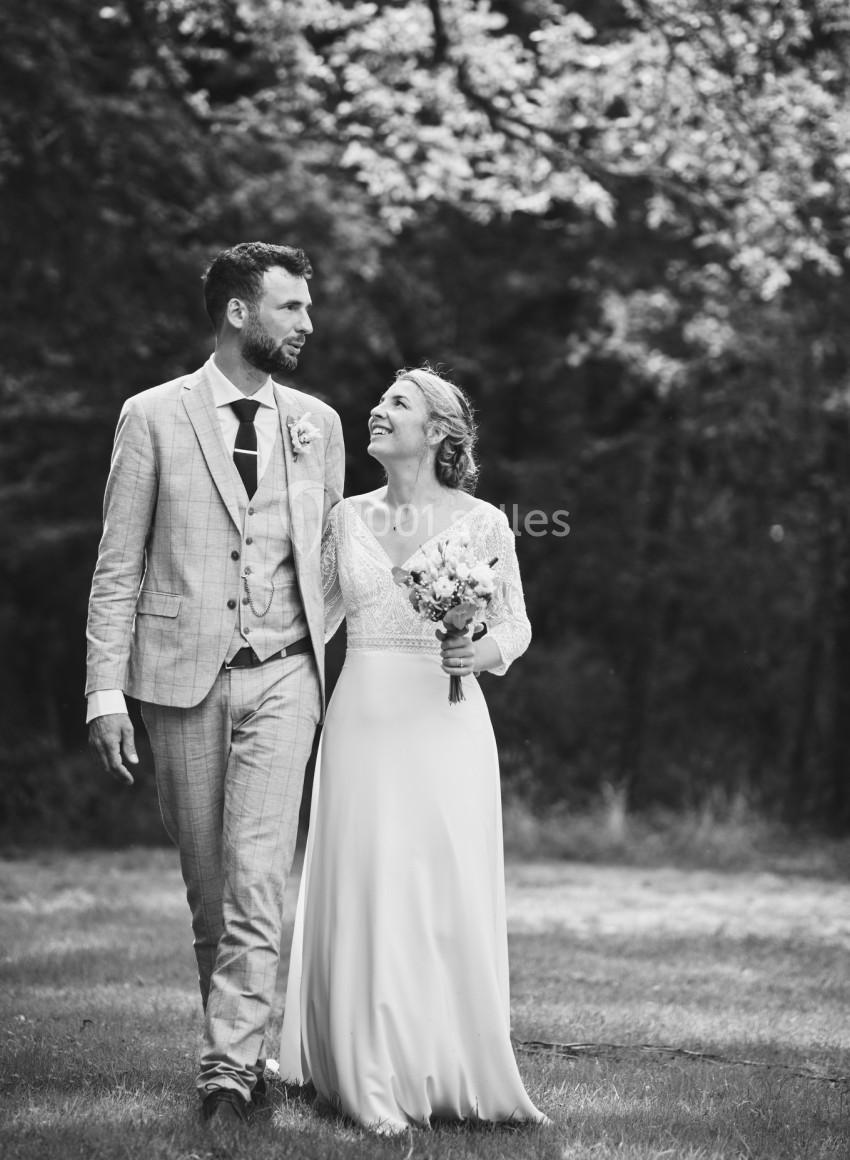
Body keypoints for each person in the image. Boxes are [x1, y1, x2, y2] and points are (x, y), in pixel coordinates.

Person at [85, 241, 344, 1129]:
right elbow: (118, 565)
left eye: (307, 308)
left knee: (260, 878)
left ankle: (227, 1075)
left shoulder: (319, 424)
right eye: (292, 307)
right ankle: (246, 1050)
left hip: (286, 677)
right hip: (177, 681)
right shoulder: (152, 416)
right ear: (240, 312)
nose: (308, 323)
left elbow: (329, 562)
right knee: (212, 887)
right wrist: (104, 692)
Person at [279, 365, 547, 1133]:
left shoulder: (488, 522)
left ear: (437, 432)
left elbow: (516, 626)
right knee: (369, 883)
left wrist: (480, 654)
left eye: (397, 403)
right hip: (362, 720)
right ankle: (364, 1072)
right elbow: (311, 616)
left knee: (443, 890)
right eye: (380, 400)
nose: (375, 409)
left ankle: (454, 1067)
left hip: (449, 729)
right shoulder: (344, 518)